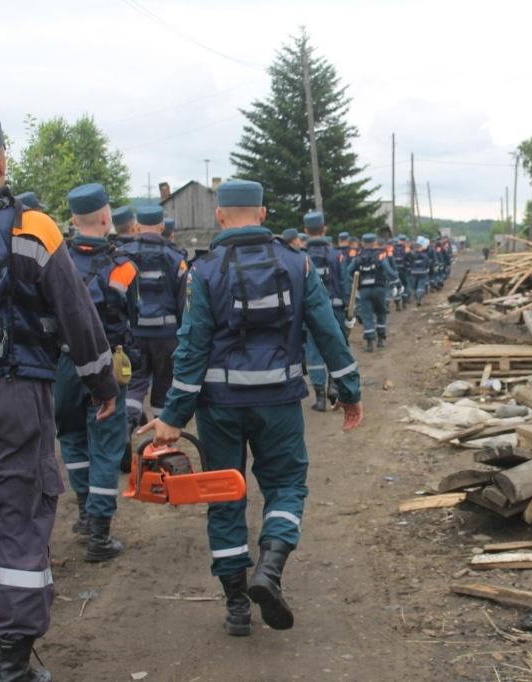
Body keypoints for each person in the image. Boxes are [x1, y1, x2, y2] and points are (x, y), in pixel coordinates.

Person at [137, 179, 363, 638]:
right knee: (285, 486)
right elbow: (328, 331)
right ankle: (271, 570)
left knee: (223, 495)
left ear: (220, 216)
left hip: (219, 406)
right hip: (278, 401)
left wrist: (174, 417)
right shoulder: (297, 264)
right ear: (262, 214)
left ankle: (237, 604)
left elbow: (192, 348)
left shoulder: (204, 270)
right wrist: (349, 390)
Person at [0, 115, 118, 681]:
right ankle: (14, 660)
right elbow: (77, 316)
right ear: (1, 162)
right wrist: (102, 384)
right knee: (22, 516)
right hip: (16, 392)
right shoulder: (33, 227)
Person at [55, 183, 138, 562]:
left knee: (72, 439)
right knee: (106, 447)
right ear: (106, 218)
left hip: (63, 363)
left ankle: (86, 513)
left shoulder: (55, 261)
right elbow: (132, 317)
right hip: (105, 363)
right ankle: (100, 536)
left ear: (73, 220)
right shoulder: (123, 268)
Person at [117, 205, 187, 439]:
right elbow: (183, 303)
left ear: (137, 225)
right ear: (161, 226)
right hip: (166, 336)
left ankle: (126, 427)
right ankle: (160, 444)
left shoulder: (122, 255)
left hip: (133, 334)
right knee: (164, 386)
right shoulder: (175, 257)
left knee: (134, 384)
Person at [303, 211, 351, 410]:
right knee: (335, 347)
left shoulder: (299, 257)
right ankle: (334, 386)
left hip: (309, 311)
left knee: (313, 352)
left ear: (305, 231)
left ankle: (320, 398)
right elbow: (345, 282)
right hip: (335, 308)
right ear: (325, 229)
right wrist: (349, 307)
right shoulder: (336, 255)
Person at [348, 233, 399, 352]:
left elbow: (348, 271)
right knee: (381, 312)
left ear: (363, 243)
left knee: (367, 315)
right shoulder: (380, 254)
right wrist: (396, 281)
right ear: (375, 242)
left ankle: (370, 341)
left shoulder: (358, 256)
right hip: (379, 288)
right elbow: (388, 269)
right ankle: (381, 339)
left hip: (364, 290)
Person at [407, 238, 432, 306]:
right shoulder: (425, 255)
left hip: (413, 273)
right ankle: (419, 299)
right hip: (423, 273)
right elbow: (428, 264)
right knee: (421, 286)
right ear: (420, 248)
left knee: (414, 287)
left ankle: (416, 298)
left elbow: (408, 263)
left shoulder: (411, 255)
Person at [394, 235, 410, 311]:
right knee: (405, 284)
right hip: (404, 269)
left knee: (397, 285)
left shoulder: (393, 247)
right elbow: (411, 257)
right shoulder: (406, 248)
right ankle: (404, 300)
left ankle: (397, 299)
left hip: (396, 270)